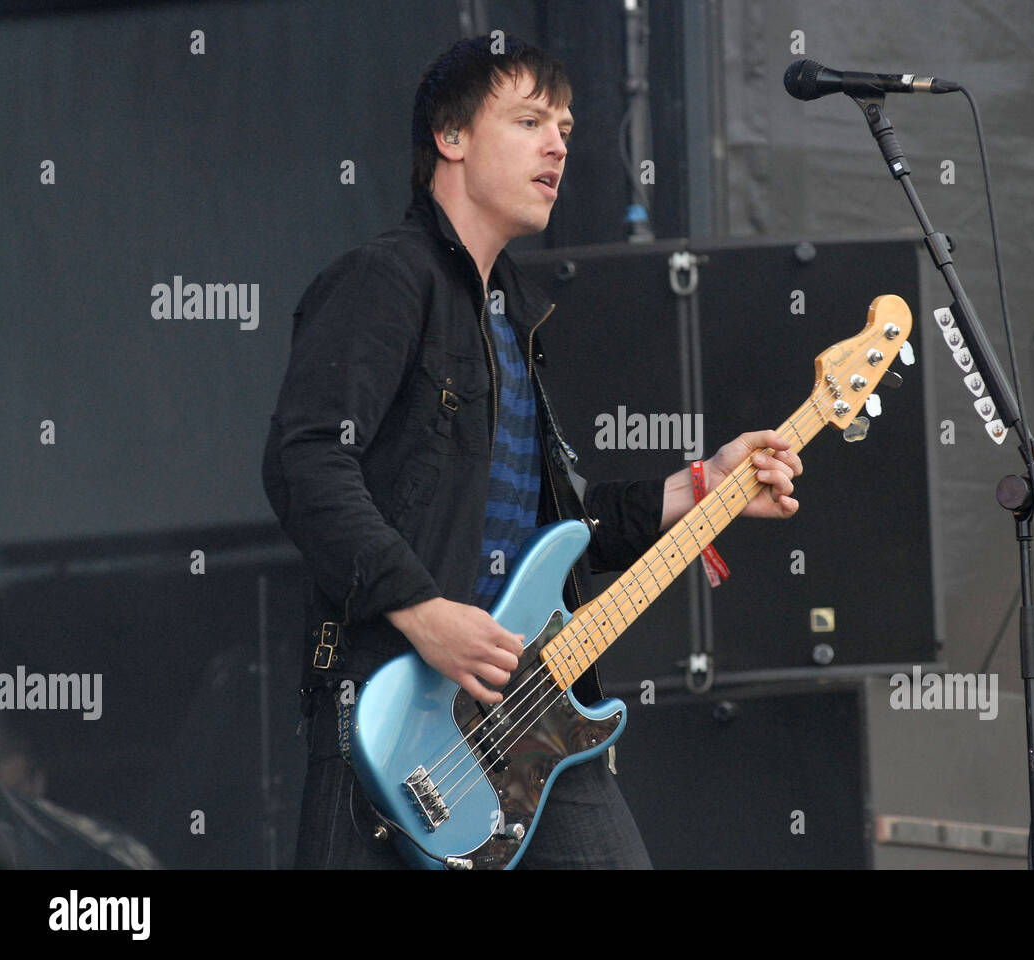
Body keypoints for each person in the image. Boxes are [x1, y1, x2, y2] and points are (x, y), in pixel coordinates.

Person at [261, 34, 802, 870]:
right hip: (397, 714)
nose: (558, 144)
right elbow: (305, 461)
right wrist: (423, 612)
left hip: (533, 714)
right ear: (451, 137)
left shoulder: (513, 316)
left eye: (566, 128)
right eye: (529, 120)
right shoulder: (385, 280)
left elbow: (561, 530)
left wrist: (701, 487)